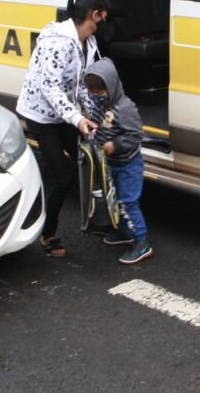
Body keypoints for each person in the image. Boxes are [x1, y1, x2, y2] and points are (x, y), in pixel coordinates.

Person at [16, 0, 109, 257]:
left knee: (86, 157)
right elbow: (50, 88)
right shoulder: (58, 42)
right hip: (39, 114)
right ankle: (47, 234)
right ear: (94, 15)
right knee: (63, 174)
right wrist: (78, 119)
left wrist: (95, 115)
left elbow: (81, 86)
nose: (102, 24)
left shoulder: (87, 43)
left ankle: (95, 218)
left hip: (61, 114)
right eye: (102, 18)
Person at [83, 59, 153, 265]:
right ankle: (124, 232)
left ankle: (141, 242)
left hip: (128, 164)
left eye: (99, 92)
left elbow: (135, 135)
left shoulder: (125, 108)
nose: (95, 96)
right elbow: (97, 123)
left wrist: (115, 145)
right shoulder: (101, 105)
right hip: (110, 163)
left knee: (128, 201)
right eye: (92, 92)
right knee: (114, 199)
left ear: (110, 87)